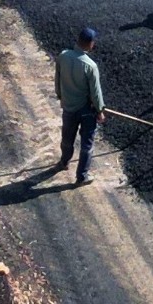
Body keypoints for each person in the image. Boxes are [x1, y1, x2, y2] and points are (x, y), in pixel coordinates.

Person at [54, 27, 106, 185]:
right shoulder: (90, 66)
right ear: (90, 44)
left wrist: (60, 96)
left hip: (68, 107)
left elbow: (57, 79)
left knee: (67, 138)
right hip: (85, 110)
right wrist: (100, 110)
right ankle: (82, 177)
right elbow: (95, 93)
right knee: (86, 145)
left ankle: (64, 162)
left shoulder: (63, 56)